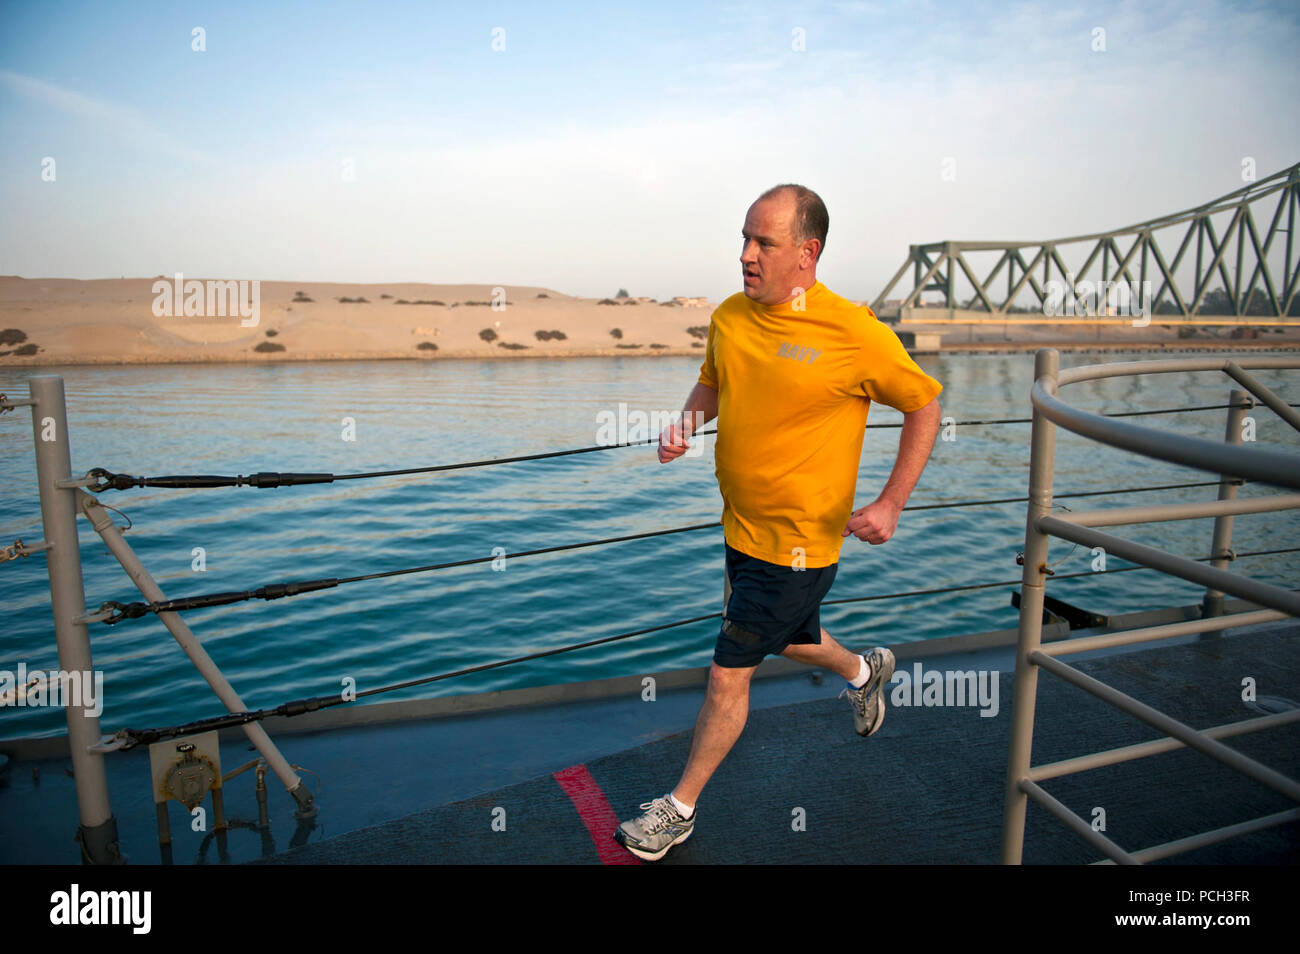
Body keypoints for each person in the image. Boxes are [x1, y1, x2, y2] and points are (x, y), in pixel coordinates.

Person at [614, 183, 943, 862]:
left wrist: (890, 503)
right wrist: (685, 423)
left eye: (764, 242)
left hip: (800, 543)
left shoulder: (852, 331)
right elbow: (714, 380)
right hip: (739, 529)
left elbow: (924, 406)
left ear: (807, 251)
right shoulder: (732, 316)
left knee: (730, 671)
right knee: (790, 639)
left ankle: (678, 810)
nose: (746, 254)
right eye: (744, 238)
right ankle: (863, 671)